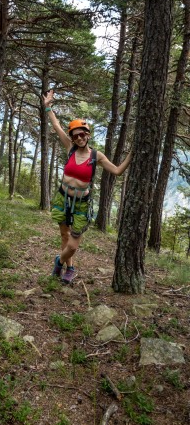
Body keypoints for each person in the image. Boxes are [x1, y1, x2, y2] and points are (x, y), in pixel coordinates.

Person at [42, 89, 132, 284]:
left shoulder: (96, 156)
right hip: (63, 198)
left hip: (82, 202)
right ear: (72, 138)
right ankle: (70, 269)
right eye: (76, 136)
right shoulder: (70, 148)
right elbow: (55, 124)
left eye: (82, 134)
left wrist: (131, 155)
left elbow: (116, 171)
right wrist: (48, 106)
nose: (80, 138)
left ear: (88, 135)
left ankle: (59, 261)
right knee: (64, 235)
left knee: (73, 244)